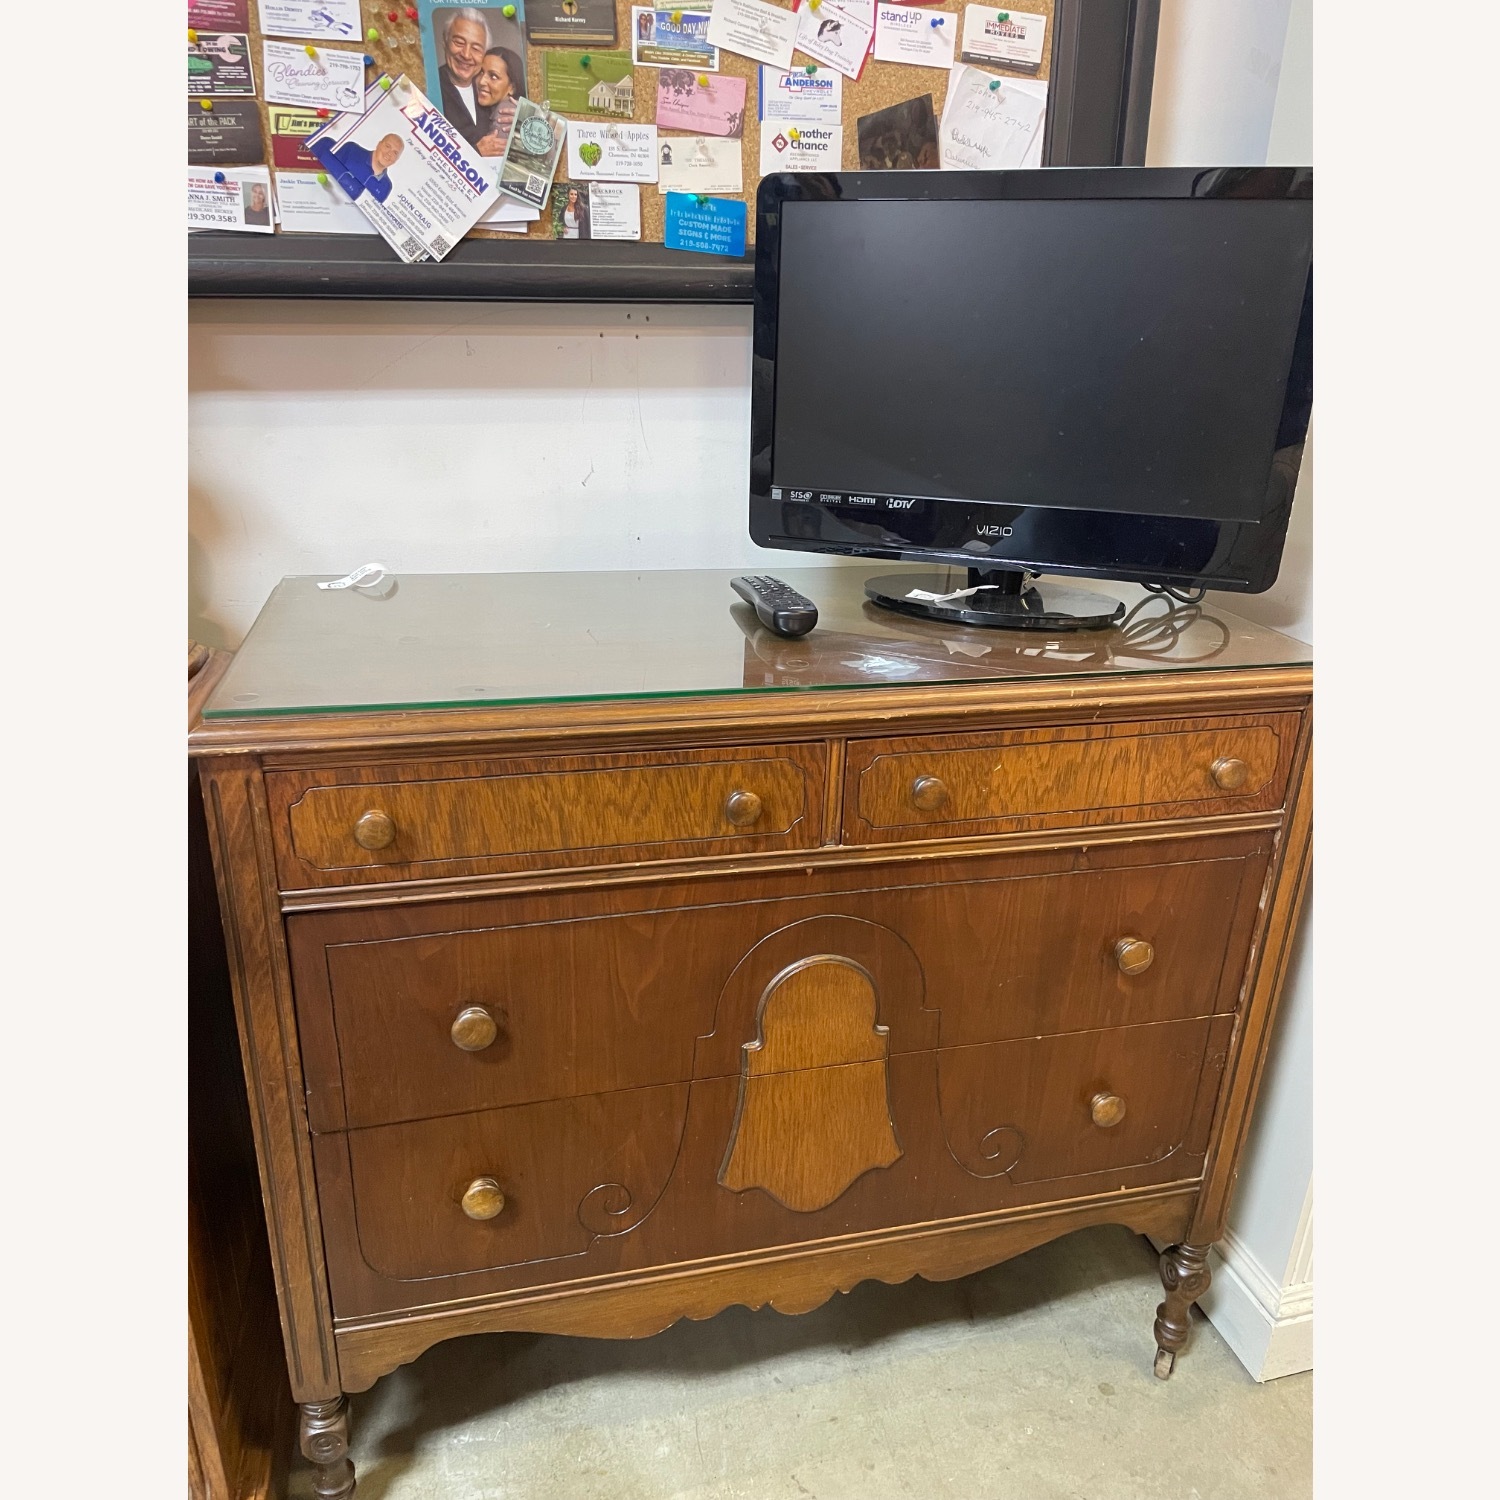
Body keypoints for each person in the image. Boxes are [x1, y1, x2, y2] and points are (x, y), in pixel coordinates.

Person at [436, 7, 493, 146]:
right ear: (445, 42)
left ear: (484, 54)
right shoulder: (430, 86)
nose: (466, 55)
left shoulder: (489, 89)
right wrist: (476, 151)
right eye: (459, 42)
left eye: (476, 48)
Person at [472, 46, 525, 157]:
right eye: (481, 72)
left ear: (512, 88)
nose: (482, 81)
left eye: (493, 76)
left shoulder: (505, 114)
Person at [331, 132, 404, 203]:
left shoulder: (386, 186)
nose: (389, 153)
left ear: (396, 159)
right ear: (379, 144)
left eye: (395, 153)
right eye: (387, 146)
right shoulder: (351, 150)